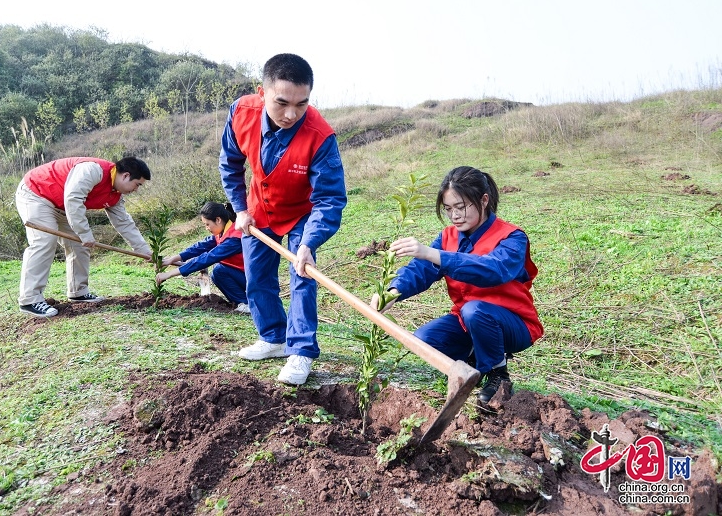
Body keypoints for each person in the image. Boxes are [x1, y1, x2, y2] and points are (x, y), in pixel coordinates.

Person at [219, 53, 347, 385]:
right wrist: (240, 209)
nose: (291, 114)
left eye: (301, 104)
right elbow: (230, 164)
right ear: (262, 94)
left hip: (302, 213)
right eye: (282, 103)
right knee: (257, 278)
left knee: (302, 275)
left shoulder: (320, 136)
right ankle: (273, 337)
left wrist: (309, 242)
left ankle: (301, 350)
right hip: (258, 210)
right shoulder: (242, 114)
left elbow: (329, 198)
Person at [370, 166, 543, 404]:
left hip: (513, 324)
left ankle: (498, 374)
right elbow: (421, 269)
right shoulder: (448, 237)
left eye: (461, 207)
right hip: (468, 320)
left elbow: (493, 270)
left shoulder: (512, 237)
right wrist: (392, 291)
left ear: (484, 200)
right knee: (425, 340)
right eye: (449, 209)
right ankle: (475, 361)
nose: (455, 216)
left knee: (475, 310)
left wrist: (436, 255)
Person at [15, 156, 152, 317]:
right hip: (36, 195)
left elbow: (124, 223)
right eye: (137, 185)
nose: (136, 190)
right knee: (44, 241)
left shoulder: (115, 194)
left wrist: (144, 251)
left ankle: (78, 291)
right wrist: (85, 233)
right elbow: (73, 199)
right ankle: (30, 300)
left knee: (79, 245)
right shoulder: (93, 170)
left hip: (62, 207)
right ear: (126, 175)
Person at [155, 202, 248, 312]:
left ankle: (245, 304)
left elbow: (207, 258)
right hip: (243, 275)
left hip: (254, 278)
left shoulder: (234, 238)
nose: (206, 228)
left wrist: (169, 274)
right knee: (219, 270)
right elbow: (201, 246)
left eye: (207, 224)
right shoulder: (224, 230)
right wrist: (173, 258)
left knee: (219, 271)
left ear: (218, 220)